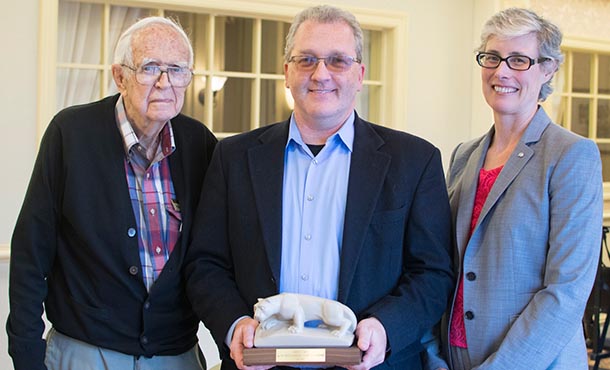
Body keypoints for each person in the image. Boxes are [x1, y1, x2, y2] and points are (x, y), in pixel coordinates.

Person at [185, 5, 454, 370]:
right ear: (287, 72)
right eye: (306, 59)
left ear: (359, 74)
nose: (321, 73)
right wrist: (235, 325)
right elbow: (205, 264)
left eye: (338, 61)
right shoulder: (233, 157)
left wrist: (386, 327)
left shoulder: (415, 161)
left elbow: (433, 274)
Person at [7, 16, 217, 370]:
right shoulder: (70, 133)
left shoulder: (201, 145)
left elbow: (212, 259)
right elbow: (31, 252)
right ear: (120, 76)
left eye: (178, 70)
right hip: (85, 351)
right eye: (150, 68)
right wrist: (26, 352)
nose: (165, 83)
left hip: (175, 355)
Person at [430, 7, 603, 370]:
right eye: (492, 57)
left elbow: (566, 293)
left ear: (548, 68)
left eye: (519, 60)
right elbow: (439, 268)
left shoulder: (571, 155)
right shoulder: (464, 156)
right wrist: (434, 358)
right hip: (455, 358)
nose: (501, 71)